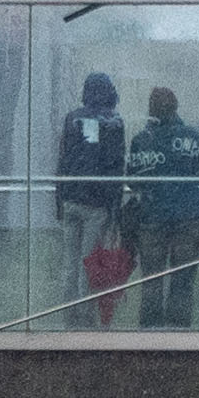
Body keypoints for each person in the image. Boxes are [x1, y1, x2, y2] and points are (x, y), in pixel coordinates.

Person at [123, 85, 199, 328]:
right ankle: (178, 332)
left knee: (152, 278)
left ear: (151, 110)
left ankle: (150, 333)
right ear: (176, 107)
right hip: (188, 215)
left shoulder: (142, 140)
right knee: (182, 278)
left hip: (152, 217)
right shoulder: (192, 137)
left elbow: (132, 180)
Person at [51, 72, 127, 316]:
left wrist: (59, 201)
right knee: (89, 263)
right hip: (96, 202)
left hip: (71, 198)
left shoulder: (71, 119)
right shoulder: (114, 122)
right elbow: (116, 167)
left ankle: (67, 315)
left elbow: (62, 161)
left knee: (69, 263)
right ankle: (85, 316)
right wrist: (115, 211)